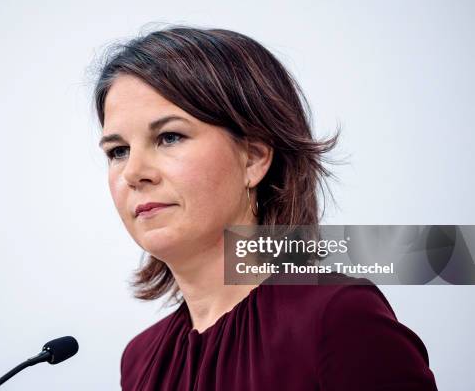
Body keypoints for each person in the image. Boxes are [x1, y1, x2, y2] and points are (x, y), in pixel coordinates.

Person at [93, 26, 438, 390]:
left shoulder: (337, 316)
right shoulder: (140, 360)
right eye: (118, 151)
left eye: (170, 137)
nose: (133, 173)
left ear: (254, 158)